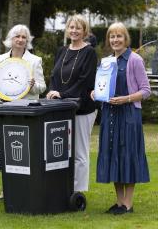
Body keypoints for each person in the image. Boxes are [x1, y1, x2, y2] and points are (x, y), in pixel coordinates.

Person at [92, 22, 150, 215]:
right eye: (112, 36)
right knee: (112, 154)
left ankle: (128, 204)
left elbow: (146, 91)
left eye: (119, 36)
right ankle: (119, 203)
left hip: (128, 115)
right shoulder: (106, 61)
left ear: (126, 39)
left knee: (128, 155)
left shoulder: (135, 60)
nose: (115, 40)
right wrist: (95, 93)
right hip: (109, 114)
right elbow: (102, 86)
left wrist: (126, 99)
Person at [0, 24, 46, 198]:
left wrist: (33, 86)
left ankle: (27, 186)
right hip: (6, 110)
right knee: (6, 150)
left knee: (27, 151)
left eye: (23, 37)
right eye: (17, 36)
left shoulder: (35, 61)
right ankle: (7, 188)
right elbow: (0, 87)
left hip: (26, 111)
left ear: (27, 41)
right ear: (10, 39)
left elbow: (42, 87)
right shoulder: (1, 59)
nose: (20, 40)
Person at [46, 14, 97, 193]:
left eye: (78, 28)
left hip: (82, 108)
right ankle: (64, 188)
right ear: (67, 29)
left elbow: (85, 81)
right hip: (62, 107)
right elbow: (54, 75)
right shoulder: (62, 50)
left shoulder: (89, 52)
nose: (74, 31)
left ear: (85, 31)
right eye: (71, 27)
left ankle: (78, 193)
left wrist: (62, 94)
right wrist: (52, 93)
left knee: (79, 153)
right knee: (61, 151)